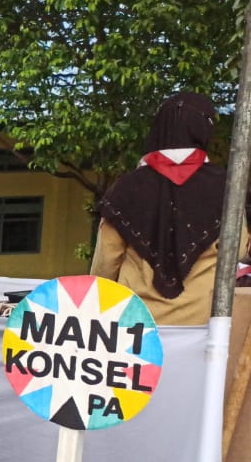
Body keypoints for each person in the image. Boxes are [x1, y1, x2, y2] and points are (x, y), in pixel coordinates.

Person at [93, 92, 247, 325]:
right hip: (203, 326)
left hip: (136, 326)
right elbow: (238, 251)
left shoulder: (125, 189)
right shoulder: (227, 188)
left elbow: (105, 265)